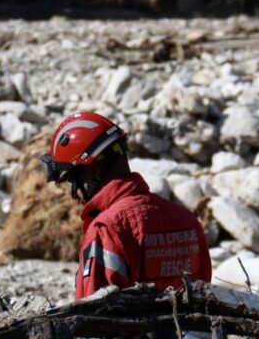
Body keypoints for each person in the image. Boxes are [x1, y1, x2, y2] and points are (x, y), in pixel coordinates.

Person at [42, 111, 212, 300]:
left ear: (93, 167)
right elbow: (204, 297)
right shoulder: (188, 221)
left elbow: (91, 317)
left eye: (74, 180)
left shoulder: (106, 230)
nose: (75, 194)